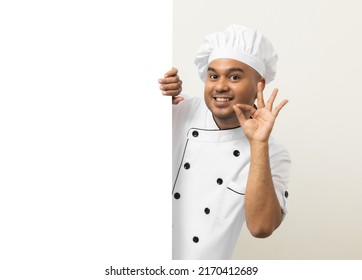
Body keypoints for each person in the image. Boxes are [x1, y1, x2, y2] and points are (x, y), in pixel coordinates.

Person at [158, 24, 291, 260]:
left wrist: (258, 144)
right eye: (213, 76)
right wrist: (155, 89)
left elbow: (261, 228)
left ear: (259, 84)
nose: (220, 86)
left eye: (234, 76)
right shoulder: (177, 111)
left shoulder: (273, 153)